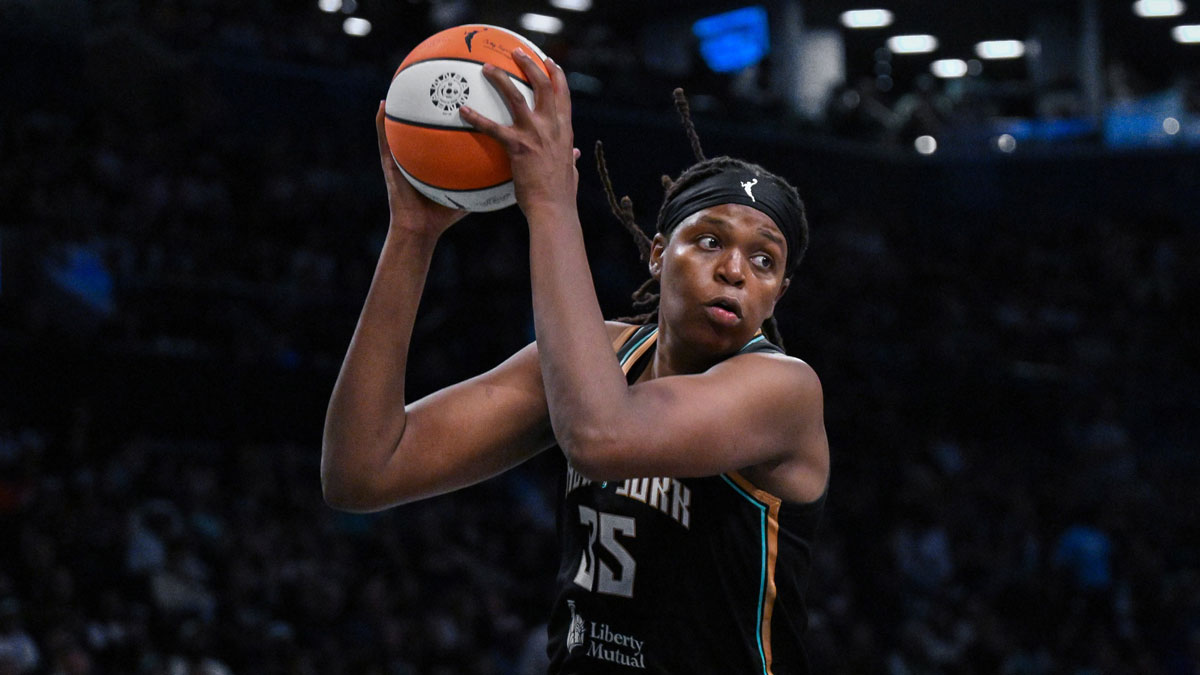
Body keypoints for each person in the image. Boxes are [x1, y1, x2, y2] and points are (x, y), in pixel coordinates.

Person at [321, 47, 829, 674]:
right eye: (709, 240)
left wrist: (552, 203)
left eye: (764, 260)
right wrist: (411, 237)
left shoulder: (784, 389)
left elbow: (600, 437)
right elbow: (362, 472)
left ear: (779, 291)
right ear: (657, 253)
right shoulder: (595, 358)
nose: (733, 271)